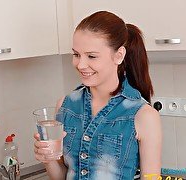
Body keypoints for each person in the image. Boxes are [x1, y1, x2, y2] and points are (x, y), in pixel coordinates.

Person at [34, 11, 162, 179]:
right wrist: (47, 159)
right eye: (76, 54)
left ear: (119, 55)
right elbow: (60, 176)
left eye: (92, 56)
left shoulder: (144, 116)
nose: (80, 64)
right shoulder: (65, 106)